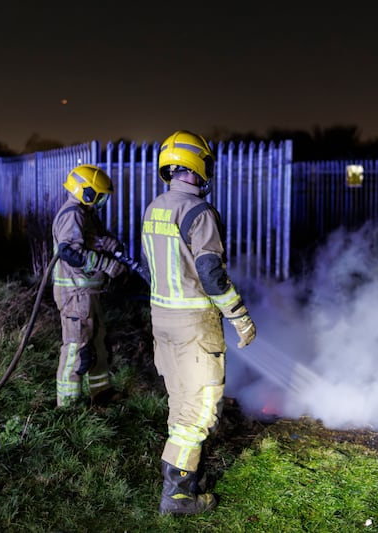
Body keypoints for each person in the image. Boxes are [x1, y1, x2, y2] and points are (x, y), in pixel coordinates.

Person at [142, 130, 256, 515]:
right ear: (198, 165)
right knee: (200, 411)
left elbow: (150, 268)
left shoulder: (155, 207)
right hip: (194, 326)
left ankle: (184, 476)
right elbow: (212, 275)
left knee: (181, 404)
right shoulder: (199, 213)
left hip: (162, 323)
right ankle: (177, 497)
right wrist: (239, 316)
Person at [51, 164, 126, 408]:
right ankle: (68, 405)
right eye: (100, 195)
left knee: (98, 345)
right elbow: (69, 251)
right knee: (77, 348)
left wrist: (107, 243)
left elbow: (89, 241)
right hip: (75, 294)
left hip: (88, 293)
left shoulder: (85, 214)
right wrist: (106, 263)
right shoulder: (72, 213)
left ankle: (101, 394)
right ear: (87, 192)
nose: (102, 201)